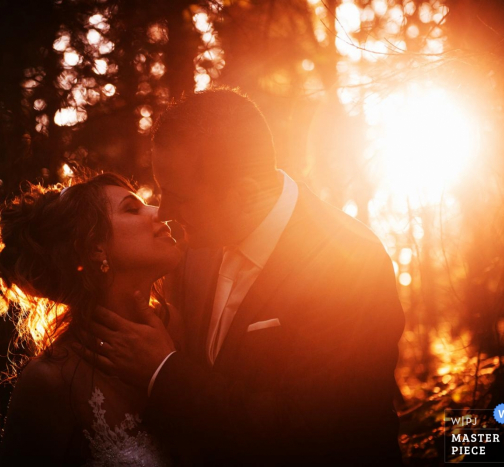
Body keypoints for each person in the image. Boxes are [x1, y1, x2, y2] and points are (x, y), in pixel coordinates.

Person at [78, 88, 406, 466]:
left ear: (245, 194)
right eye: (161, 190)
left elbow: (308, 432)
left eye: (179, 196)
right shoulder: (191, 245)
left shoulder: (351, 263)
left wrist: (163, 371)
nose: (164, 212)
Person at [0, 173, 184, 465]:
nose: (159, 212)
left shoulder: (179, 327)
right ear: (94, 248)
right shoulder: (51, 379)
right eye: (132, 208)